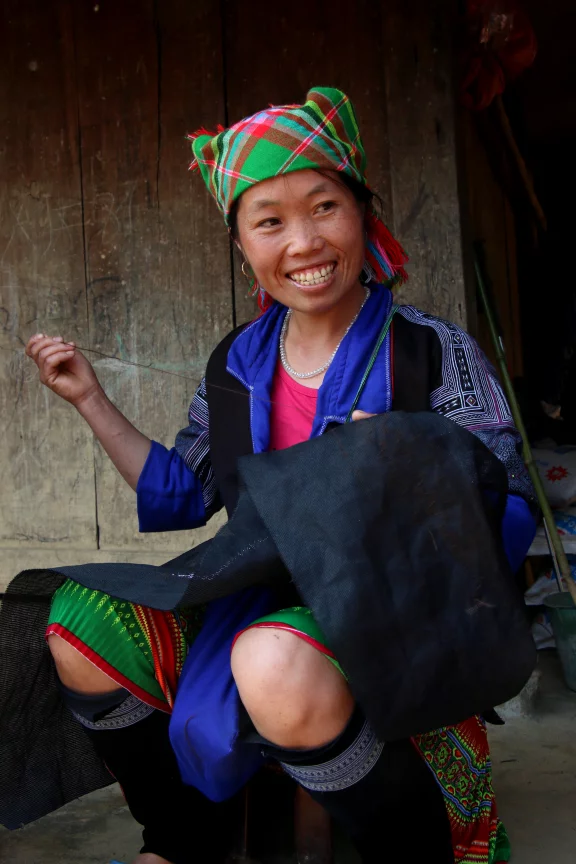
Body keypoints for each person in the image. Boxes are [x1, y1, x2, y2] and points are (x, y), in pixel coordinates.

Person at [20, 87, 536, 864]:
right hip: (259, 590)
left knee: (271, 656)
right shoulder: (237, 362)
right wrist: (91, 400)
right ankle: (184, 834)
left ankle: (415, 845)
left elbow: (509, 498)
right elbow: (184, 490)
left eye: (325, 207)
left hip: (396, 604)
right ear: (242, 247)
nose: (303, 241)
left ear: (363, 215)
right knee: (80, 619)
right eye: (270, 220)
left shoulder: (427, 350)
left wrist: (415, 462)